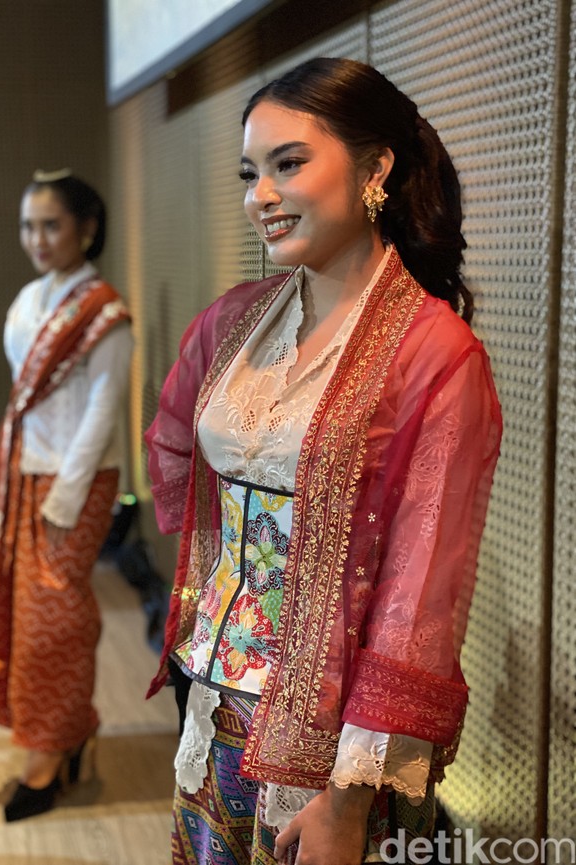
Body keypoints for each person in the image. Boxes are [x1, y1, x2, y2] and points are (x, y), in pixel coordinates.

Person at [145, 57, 502, 865]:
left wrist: (351, 800)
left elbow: (422, 604)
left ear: (376, 168)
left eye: (289, 164)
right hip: (210, 696)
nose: (261, 196)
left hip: (338, 746)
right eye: (250, 173)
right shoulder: (236, 320)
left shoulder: (437, 353)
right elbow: (175, 448)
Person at [0, 169, 133, 822]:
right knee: (26, 613)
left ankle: (54, 744)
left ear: (86, 228)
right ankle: (60, 736)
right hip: (25, 473)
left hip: (77, 479)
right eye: (27, 226)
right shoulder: (28, 299)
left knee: (53, 621)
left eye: (51, 225)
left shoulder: (106, 312)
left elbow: (102, 412)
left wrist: (65, 498)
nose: (37, 239)